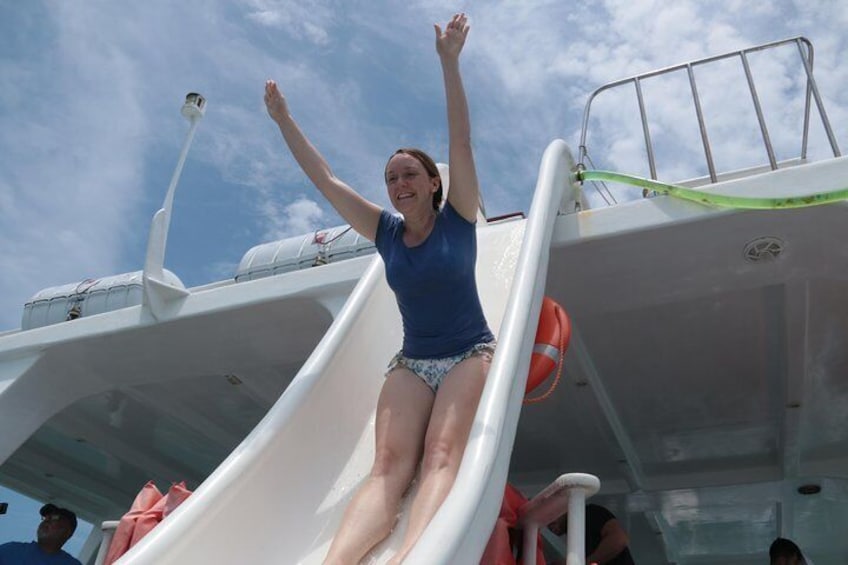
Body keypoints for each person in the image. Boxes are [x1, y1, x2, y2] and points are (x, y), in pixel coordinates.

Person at [264, 12, 494, 565]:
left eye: (409, 174)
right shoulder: (384, 232)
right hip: (413, 363)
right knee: (388, 468)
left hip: (468, 352)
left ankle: (413, 555)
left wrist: (449, 63)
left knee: (440, 453)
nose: (398, 185)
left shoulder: (459, 216)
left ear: (433, 182)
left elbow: (460, 139)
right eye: (391, 178)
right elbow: (326, 179)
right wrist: (283, 120)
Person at [547, 504, 635, 565]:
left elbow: (619, 539)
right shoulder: (574, 535)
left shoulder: (588, 513)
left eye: (549, 516)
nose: (549, 525)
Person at [0, 503, 82, 564]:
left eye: (54, 518)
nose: (46, 521)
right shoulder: (11, 550)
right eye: (45, 518)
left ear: (69, 532)